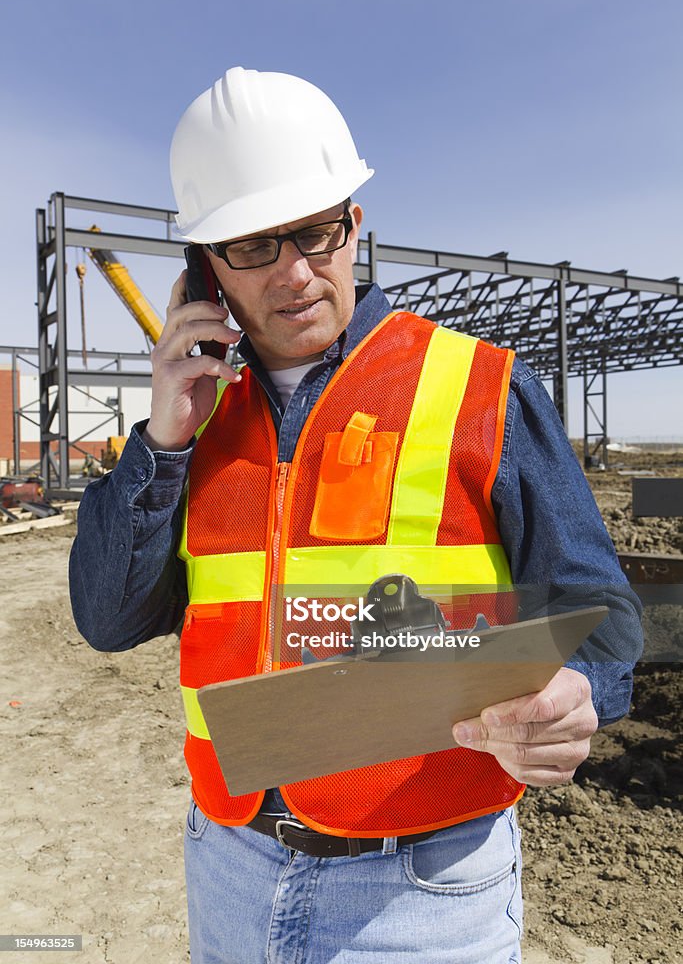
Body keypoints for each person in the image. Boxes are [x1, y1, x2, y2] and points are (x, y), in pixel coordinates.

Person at [69, 67, 642, 964]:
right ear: (205, 266)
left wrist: (579, 694)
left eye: (316, 233)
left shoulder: (479, 387)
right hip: (228, 862)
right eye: (253, 246)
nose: (295, 272)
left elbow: (606, 623)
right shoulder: (194, 420)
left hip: (422, 894)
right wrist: (163, 438)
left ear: (354, 226)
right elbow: (106, 621)